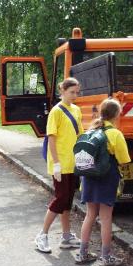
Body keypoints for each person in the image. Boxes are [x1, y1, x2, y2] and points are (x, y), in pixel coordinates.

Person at [75, 98, 131, 266]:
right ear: (117, 114)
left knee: (90, 215)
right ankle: (106, 257)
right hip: (106, 178)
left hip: (89, 178)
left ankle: (82, 253)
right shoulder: (115, 134)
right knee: (106, 217)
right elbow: (124, 160)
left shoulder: (91, 130)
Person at [35, 77, 84, 253]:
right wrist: (55, 163)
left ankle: (66, 236)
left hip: (73, 163)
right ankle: (42, 235)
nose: (75, 95)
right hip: (60, 164)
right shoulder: (56, 112)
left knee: (68, 201)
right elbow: (52, 140)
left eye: (77, 92)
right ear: (62, 91)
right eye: (72, 92)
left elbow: (79, 135)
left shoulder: (77, 110)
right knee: (60, 198)